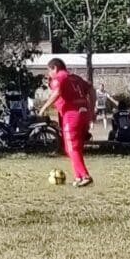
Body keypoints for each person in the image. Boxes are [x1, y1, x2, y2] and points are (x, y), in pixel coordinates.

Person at [38, 58, 95, 187]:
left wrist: (44, 108)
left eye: (49, 71)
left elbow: (57, 92)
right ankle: (78, 177)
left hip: (71, 115)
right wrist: (92, 109)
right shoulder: (75, 78)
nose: (49, 74)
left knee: (71, 148)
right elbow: (91, 89)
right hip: (84, 113)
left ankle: (85, 176)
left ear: (55, 68)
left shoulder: (59, 78)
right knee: (74, 147)